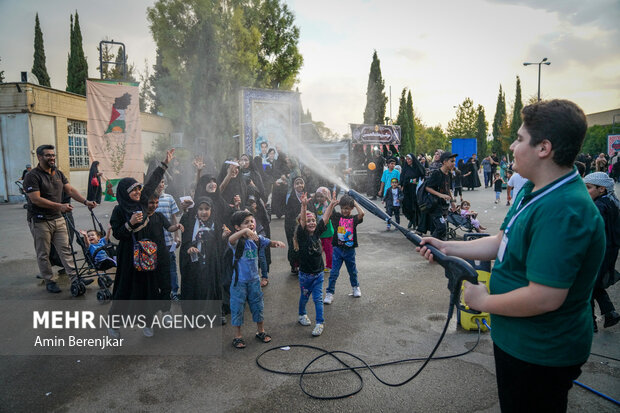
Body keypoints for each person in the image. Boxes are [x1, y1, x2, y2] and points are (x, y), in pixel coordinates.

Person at [417, 99, 605, 413]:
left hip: (541, 353)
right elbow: (501, 242)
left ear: (544, 147)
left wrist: (483, 302)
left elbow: (545, 297)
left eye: (519, 139)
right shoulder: (534, 190)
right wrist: (446, 247)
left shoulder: (564, 210)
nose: (514, 146)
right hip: (518, 343)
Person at [107, 149, 179, 338]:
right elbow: (117, 234)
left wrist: (164, 164)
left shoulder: (142, 202)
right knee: (125, 290)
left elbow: (152, 182)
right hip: (128, 257)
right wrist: (130, 224)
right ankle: (114, 325)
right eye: (133, 190)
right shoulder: (118, 211)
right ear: (124, 193)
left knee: (148, 289)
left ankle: (148, 323)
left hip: (147, 255)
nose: (138, 192)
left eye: (139, 189)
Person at [23, 144, 98, 293]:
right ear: (39, 157)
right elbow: (35, 199)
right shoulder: (32, 176)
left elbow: (69, 190)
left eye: (53, 155)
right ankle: (49, 280)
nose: (52, 158)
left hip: (58, 218)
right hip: (39, 220)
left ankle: (75, 278)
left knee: (66, 250)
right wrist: (60, 206)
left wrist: (85, 201)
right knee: (43, 252)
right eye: (48, 155)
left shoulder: (58, 173)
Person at [228, 210, 285, 349]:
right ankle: (238, 336)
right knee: (237, 308)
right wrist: (245, 232)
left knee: (258, 305)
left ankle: (260, 331)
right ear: (237, 227)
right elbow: (230, 239)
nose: (250, 224)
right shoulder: (237, 242)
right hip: (239, 282)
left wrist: (276, 243)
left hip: (254, 280)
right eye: (246, 223)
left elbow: (268, 243)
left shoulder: (257, 239)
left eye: (251, 221)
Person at [294, 193, 337, 336]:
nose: (312, 222)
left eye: (313, 220)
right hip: (305, 276)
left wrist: (331, 204)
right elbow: (302, 222)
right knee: (304, 297)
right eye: (309, 221)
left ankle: (320, 323)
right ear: (303, 223)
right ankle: (301, 314)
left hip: (318, 274)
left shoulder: (316, 234)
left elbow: (324, 219)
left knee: (318, 298)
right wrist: (304, 205)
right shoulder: (302, 235)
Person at [179, 197, 227, 322]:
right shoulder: (189, 221)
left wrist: (223, 236)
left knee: (214, 285)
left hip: (211, 260)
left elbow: (219, 242)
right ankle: (192, 316)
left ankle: (217, 313)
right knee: (194, 286)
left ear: (212, 209)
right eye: (200, 209)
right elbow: (185, 240)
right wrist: (189, 247)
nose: (203, 212)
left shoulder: (216, 222)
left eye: (207, 209)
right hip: (194, 261)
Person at [583, 172, 620, 331]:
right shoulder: (612, 202)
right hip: (610, 250)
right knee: (595, 284)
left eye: (589, 188)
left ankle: (590, 323)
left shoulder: (598, 206)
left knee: (587, 286)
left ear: (602, 189)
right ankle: (610, 313)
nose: (585, 191)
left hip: (599, 253)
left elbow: (591, 231)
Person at [324, 194, 365, 304]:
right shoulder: (337, 217)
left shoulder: (353, 219)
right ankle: (329, 293)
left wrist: (354, 202)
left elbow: (362, 213)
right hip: (337, 250)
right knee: (334, 273)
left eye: (347, 208)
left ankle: (355, 287)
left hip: (349, 251)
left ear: (351, 208)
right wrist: (332, 203)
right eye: (342, 208)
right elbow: (328, 213)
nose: (344, 210)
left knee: (352, 271)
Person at [154, 177, 182, 301]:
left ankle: (174, 292)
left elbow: (174, 217)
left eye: (163, 182)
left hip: (168, 241)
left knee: (171, 268)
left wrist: (176, 236)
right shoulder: (149, 199)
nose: (161, 184)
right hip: (153, 243)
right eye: (158, 182)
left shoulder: (169, 198)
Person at [424, 152, 456, 240]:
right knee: (441, 227)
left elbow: (448, 189)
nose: (454, 163)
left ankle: (439, 247)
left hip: (444, 206)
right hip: (435, 206)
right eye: (452, 161)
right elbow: (428, 188)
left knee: (442, 229)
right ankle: (428, 244)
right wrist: (440, 195)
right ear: (445, 162)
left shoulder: (448, 174)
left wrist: (452, 202)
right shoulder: (436, 173)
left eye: (454, 161)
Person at [309, 187, 334, 273]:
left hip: (327, 231)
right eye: (318, 196)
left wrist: (329, 199)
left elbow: (333, 207)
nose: (319, 198)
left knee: (328, 250)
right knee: (319, 249)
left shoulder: (327, 205)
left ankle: (330, 266)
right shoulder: (316, 206)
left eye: (322, 196)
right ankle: (318, 264)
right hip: (319, 231)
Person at [400, 153, 425, 229]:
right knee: (408, 206)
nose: (408, 161)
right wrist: (410, 181)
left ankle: (416, 222)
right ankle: (411, 219)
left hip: (416, 190)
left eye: (409, 159)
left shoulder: (418, 168)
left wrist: (416, 181)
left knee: (416, 206)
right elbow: (403, 179)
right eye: (407, 159)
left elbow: (422, 178)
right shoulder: (405, 168)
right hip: (407, 190)